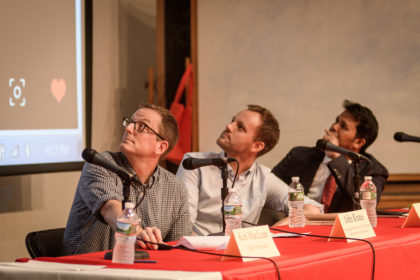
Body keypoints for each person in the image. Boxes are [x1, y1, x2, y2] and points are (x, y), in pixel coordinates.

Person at [63, 104, 192, 255]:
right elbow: (110, 208)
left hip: (142, 272)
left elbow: (178, 247)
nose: (128, 129)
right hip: (86, 270)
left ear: (160, 147)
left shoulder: (175, 187)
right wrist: (134, 233)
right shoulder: (100, 164)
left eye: (142, 126)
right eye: (129, 122)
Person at [176, 104, 323, 236]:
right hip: (198, 252)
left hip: (239, 255)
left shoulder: (263, 178)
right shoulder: (194, 164)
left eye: (240, 127)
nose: (229, 126)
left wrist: (276, 229)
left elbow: (313, 209)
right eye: (233, 120)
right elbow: (183, 223)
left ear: (257, 146)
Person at [272, 100, 389, 213]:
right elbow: (269, 187)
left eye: (343, 126)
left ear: (358, 142)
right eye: (336, 121)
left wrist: (336, 157)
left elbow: (365, 207)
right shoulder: (299, 155)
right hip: (298, 224)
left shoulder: (373, 170)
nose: (334, 127)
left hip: (342, 230)